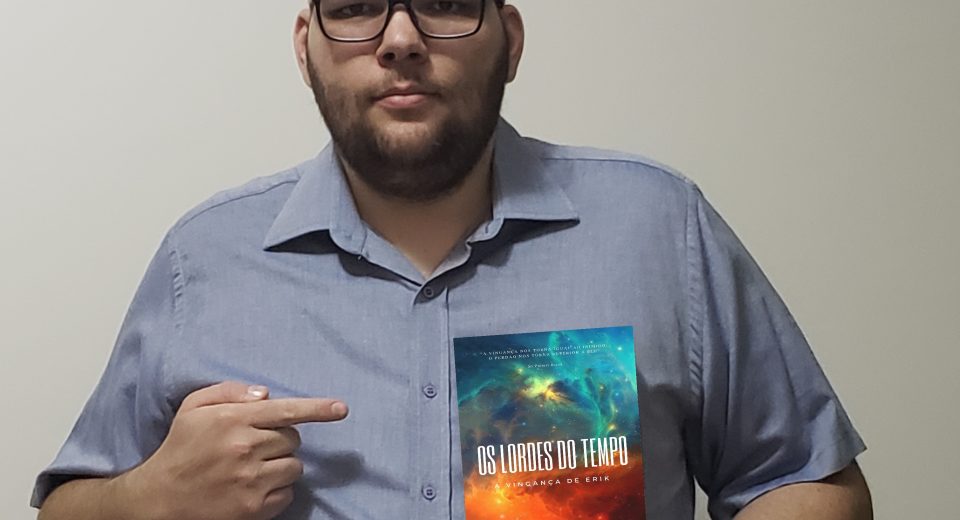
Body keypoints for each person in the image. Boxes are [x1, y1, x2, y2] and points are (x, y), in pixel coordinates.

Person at [33, 1, 872, 519]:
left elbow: (801, 480)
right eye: (356, 7)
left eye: (442, 4)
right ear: (305, 45)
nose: (400, 39)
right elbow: (68, 508)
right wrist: (149, 502)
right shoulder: (205, 260)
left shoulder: (658, 227)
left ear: (510, 39)